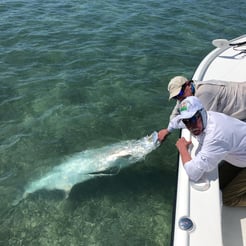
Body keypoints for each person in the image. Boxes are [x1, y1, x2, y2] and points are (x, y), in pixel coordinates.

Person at [172, 96, 246, 206]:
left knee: (227, 199)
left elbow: (194, 173)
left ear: (202, 112)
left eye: (192, 119)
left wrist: (182, 149)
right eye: (186, 121)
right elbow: (174, 123)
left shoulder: (215, 136)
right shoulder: (208, 116)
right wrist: (167, 130)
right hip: (241, 155)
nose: (191, 127)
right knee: (219, 184)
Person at [158, 76, 246, 142]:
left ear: (188, 84)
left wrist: (171, 128)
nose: (179, 98)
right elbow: (175, 113)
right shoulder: (186, 94)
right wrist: (167, 130)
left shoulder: (204, 93)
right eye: (175, 97)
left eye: (180, 93)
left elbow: (203, 124)